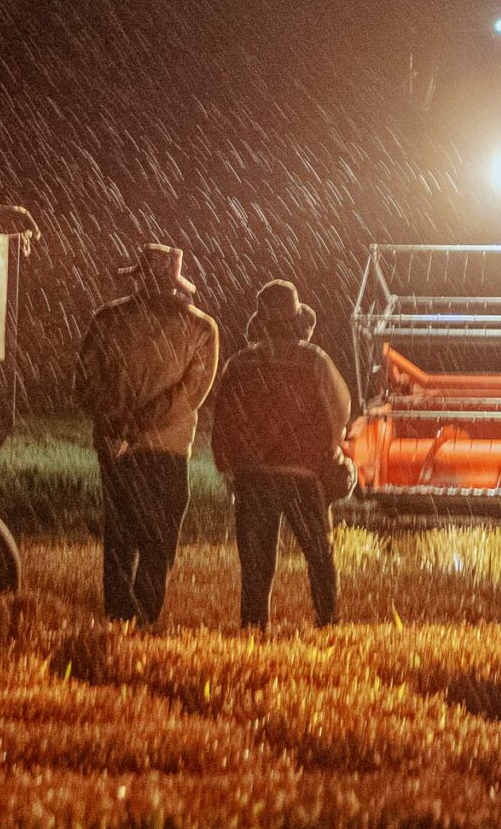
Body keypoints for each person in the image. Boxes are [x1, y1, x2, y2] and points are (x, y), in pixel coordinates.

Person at [75, 243, 219, 625]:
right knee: (159, 539)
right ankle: (146, 615)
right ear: (176, 283)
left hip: (115, 448)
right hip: (168, 451)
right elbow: (191, 396)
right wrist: (144, 422)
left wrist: (119, 421)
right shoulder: (202, 328)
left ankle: (118, 616)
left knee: (119, 538)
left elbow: (83, 384)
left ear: (139, 277)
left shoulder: (107, 319)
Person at [208, 279, 353, 628]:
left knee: (256, 563)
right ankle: (327, 621)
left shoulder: (239, 364)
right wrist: (328, 454)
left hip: (253, 476)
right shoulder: (314, 360)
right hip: (302, 476)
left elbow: (223, 418)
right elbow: (341, 409)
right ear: (296, 321)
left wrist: (229, 465)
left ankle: (254, 626)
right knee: (319, 555)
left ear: (262, 323)